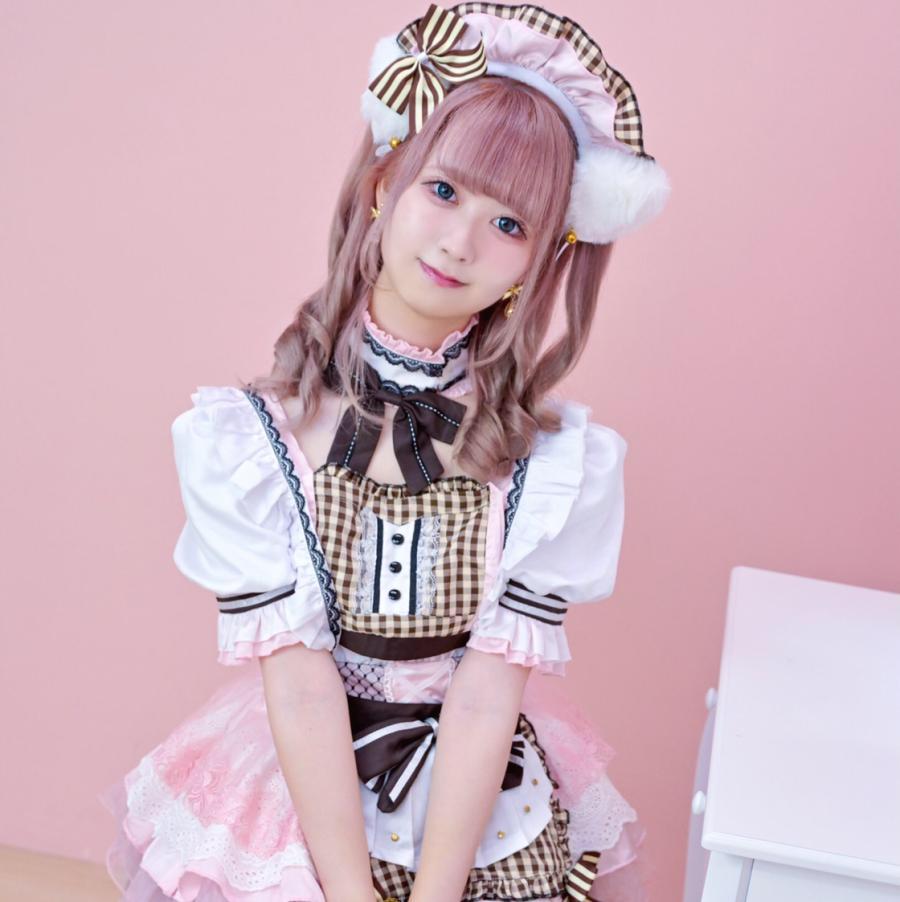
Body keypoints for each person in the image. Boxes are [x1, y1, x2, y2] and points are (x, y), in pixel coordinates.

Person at [100, 4, 671, 900]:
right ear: (383, 183)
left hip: (475, 805)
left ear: (541, 260)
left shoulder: (554, 466)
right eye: (442, 191)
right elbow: (299, 687)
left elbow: (486, 693)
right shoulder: (251, 442)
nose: (459, 242)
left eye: (510, 224)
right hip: (301, 789)